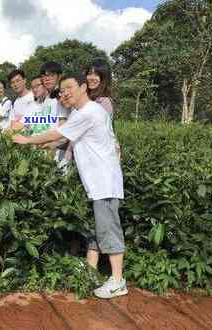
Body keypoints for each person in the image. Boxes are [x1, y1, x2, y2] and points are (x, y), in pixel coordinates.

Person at [13, 73, 127, 299]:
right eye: (62, 89)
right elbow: (63, 138)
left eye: (69, 87)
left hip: (103, 181)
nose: (64, 92)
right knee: (96, 230)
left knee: (108, 229)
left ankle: (117, 280)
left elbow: (57, 133)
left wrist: (26, 140)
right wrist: (42, 145)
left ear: (83, 87)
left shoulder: (89, 112)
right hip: (97, 182)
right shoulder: (85, 113)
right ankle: (91, 272)